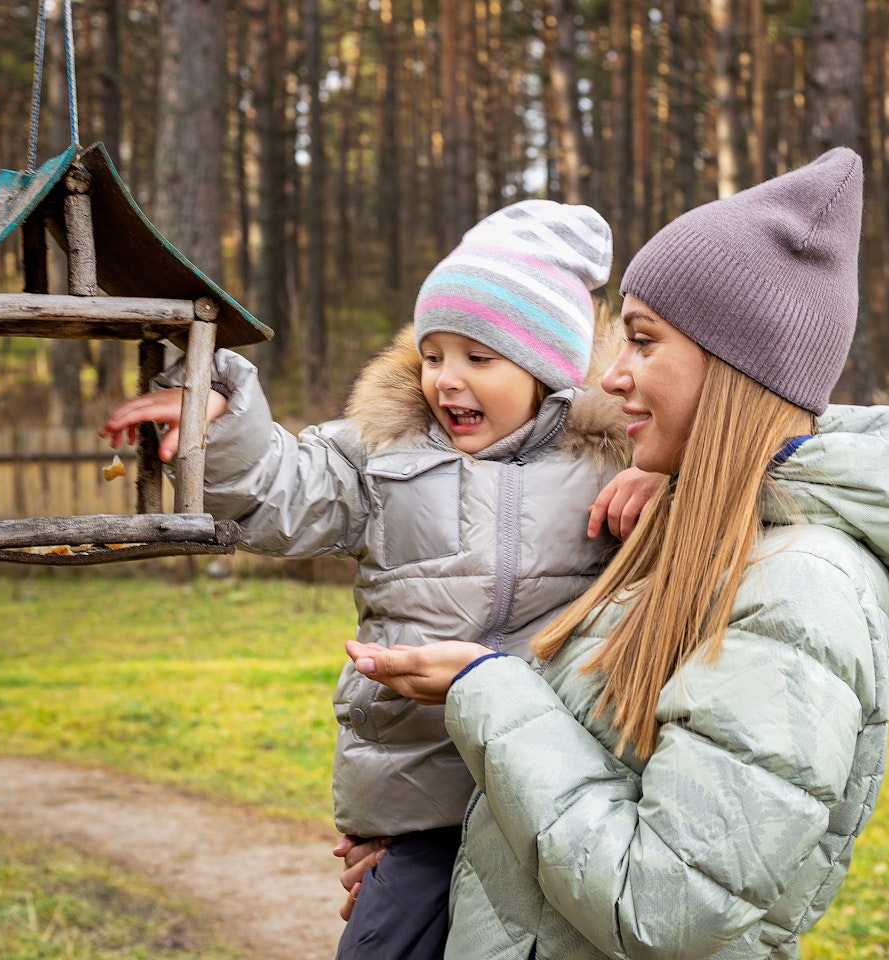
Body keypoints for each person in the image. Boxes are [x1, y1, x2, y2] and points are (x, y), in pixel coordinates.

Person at [345, 148, 889, 959]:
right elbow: (601, 772)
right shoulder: (693, 530)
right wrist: (433, 862)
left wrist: (486, 689)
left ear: (736, 364)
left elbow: (662, 904)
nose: (610, 375)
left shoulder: (800, 590)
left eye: (643, 342)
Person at [100, 200, 666, 960]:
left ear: (547, 366)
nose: (446, 381)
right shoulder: (383, 457)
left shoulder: (614, 461)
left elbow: (743, 498)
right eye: (432, 355)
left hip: (557, 798)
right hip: (419, 805)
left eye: (478, 357)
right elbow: (277, 491)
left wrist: (671, 486)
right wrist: (221, 421)